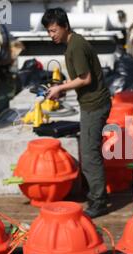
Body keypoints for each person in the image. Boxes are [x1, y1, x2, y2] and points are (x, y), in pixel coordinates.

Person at [42, 8, 111, 218]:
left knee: (89, 156)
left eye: (54, 30)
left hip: (94, 105)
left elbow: (86, 78)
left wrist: (60, 88)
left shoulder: (76, 47)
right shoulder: (73, 43)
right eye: (48, 31)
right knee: (90, 152)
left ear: (65, 26)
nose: (51, 35)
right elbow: (81, 80)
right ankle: (97, 195)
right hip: (90, 103)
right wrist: (60, 89)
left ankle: (98, 201)